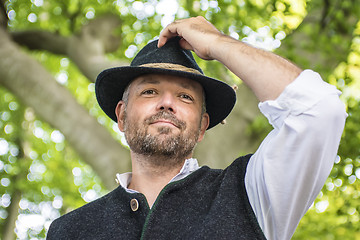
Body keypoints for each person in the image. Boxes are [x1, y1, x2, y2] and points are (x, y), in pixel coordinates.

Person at [47, 16, 346, 240]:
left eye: (185, 96)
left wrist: (216, 43)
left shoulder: (252, 194)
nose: (167, 103)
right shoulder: (69, 231)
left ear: (203, 126)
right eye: (150, 91)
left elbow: (318, 110)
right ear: (122, 116)